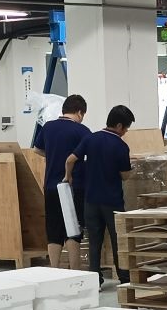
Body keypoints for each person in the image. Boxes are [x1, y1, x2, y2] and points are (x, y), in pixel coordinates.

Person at [67, 104, 133, 286]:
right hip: (112, 202)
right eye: (126, 128)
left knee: (94, 241)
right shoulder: (121, 146)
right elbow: (125, 176)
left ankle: (95, 280)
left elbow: (70, 159)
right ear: (119, 126)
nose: (126, 131)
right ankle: (124, 278)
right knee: (118, 240)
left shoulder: (90, 138)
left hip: (91, 200)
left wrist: (68, 177)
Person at [33, 94, 89, 269]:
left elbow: (37, 149)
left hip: (51, 186)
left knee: (53, 229)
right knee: (73, 229)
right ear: (79, 112)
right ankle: (74, 270)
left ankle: (54, 269)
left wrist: (52, 155)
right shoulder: (82, 131)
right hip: (72, 187)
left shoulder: (48, 127)